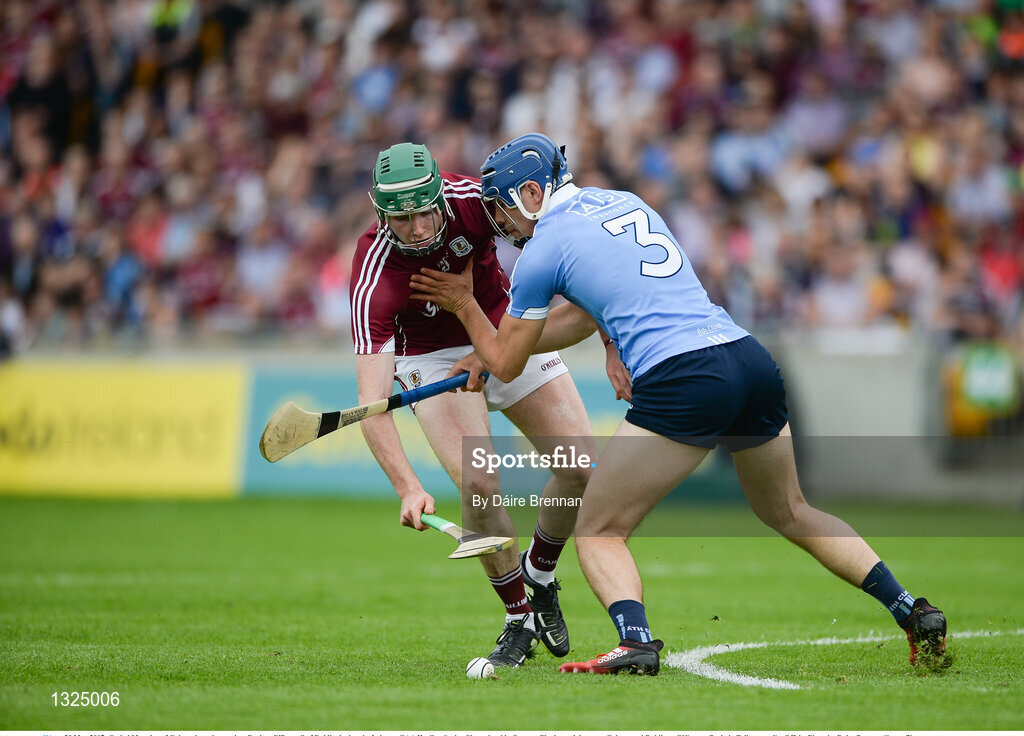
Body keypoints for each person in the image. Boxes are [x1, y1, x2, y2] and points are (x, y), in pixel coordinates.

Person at [409, 133, 947, 675]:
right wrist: (532, 347)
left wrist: (464, 304)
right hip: (747, 358)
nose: (501, 222)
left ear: (531, 192)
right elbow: (583, 312)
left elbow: (506, 363)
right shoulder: (625, 201)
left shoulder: (544, 247)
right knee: (790, 510)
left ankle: (635, 642)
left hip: (685, 375)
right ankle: (912, 609)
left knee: (599, 527)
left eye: (503, 207)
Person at [350, 141, 600, 668]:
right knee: (480, 483)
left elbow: (574, 264)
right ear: (381, 214)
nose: (417, 229)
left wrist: (491, 347)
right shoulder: (373, 276)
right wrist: (408, 487)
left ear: (439, 194)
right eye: (401, 219)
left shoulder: (475, 199)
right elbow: (371, 403)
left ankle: (540, 572)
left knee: (578, 463)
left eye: (423, 212)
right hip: (431, 358)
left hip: (501, 322)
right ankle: (518, 618)